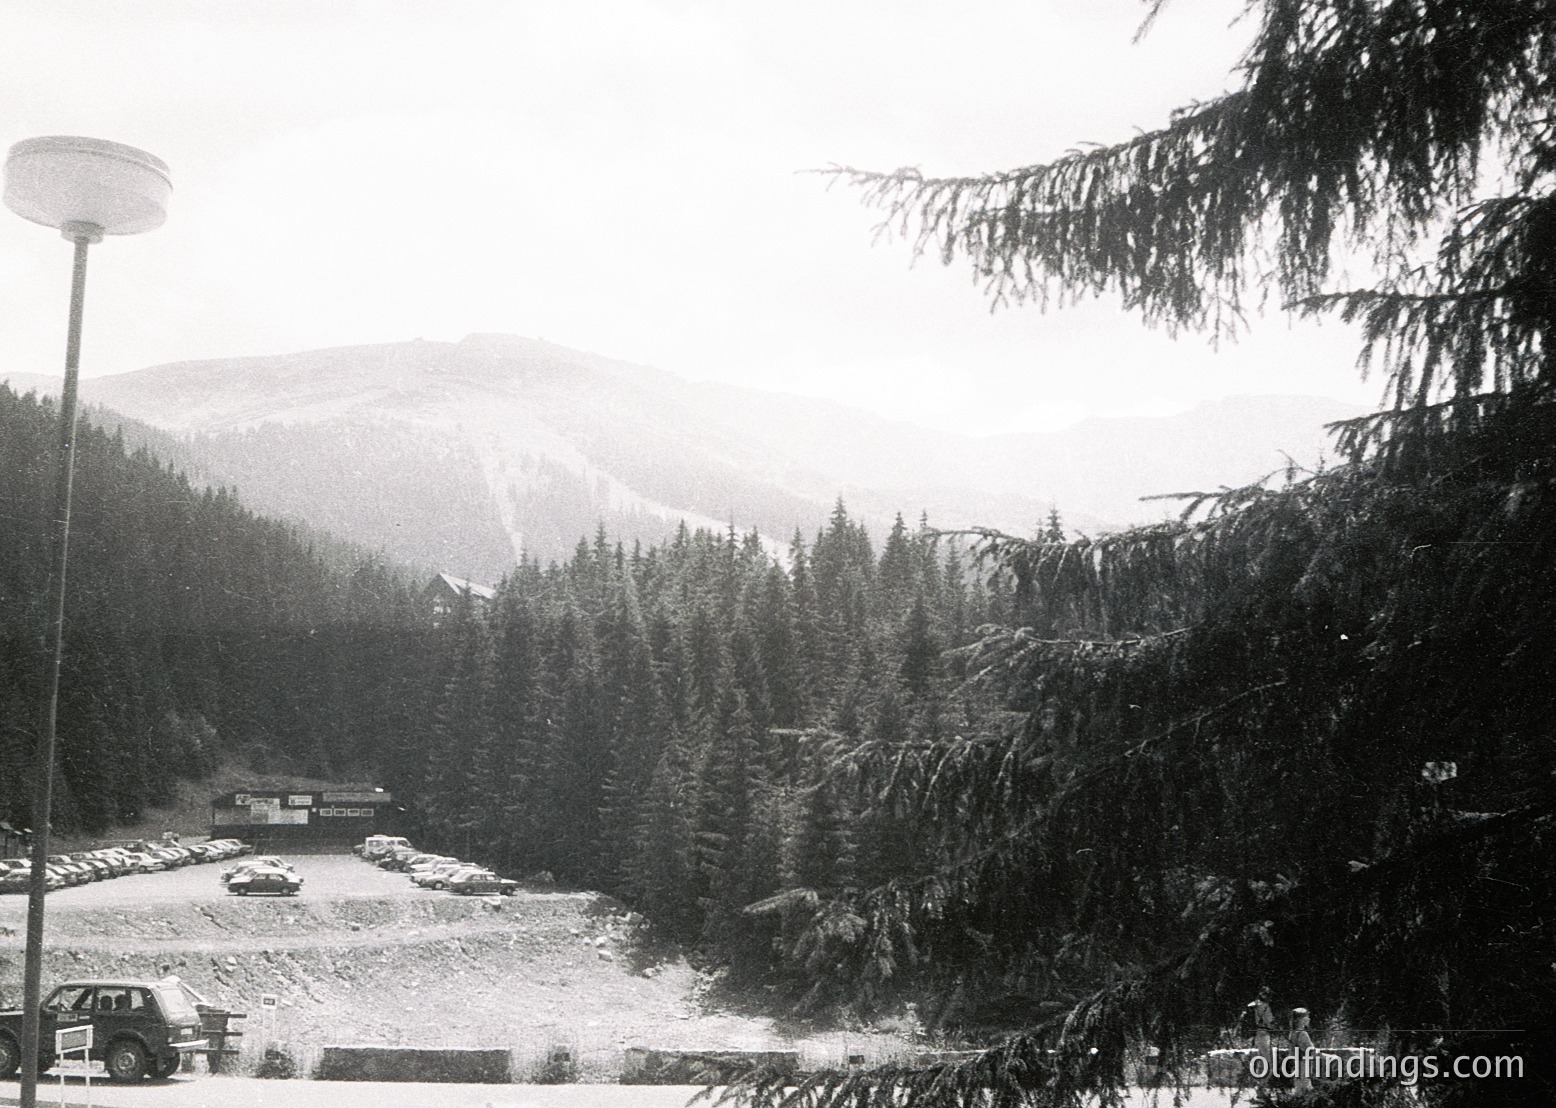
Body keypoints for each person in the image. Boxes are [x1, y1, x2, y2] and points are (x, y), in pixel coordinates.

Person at [1246, 987, 1275, 1084]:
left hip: (1257, 1034)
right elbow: (1269, 1022)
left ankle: (1259, 1086)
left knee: (1261, 1061)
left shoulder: (1254, 1004)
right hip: (1264, 1034)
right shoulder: (1265, 1007)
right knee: (1268, 1063)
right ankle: (1262, 1086)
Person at [1291, 1007, 1315, 1092]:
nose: (1309, 1019)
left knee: (1299, 1086)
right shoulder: (1303, 1034)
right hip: (1304, 1063)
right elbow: (1311, 1050)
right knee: (1305, 1087)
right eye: (1307, 1016)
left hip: (1297, 1063)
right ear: (1300, 1019)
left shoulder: (1293, 1033)